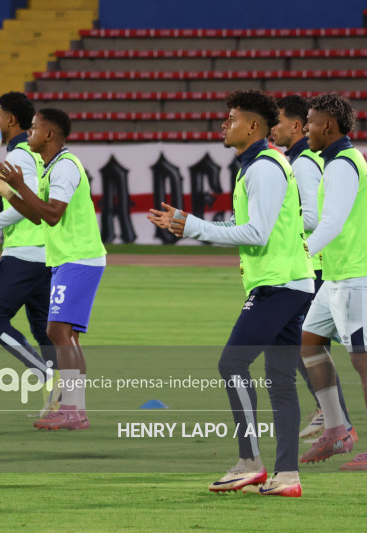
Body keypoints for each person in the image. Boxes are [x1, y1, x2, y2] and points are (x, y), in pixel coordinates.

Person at [150, 90, 314, 497]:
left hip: (278, 284)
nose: (224, 124)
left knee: (232, 363)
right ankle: (288, 476)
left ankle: (250, 462)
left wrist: (192, 227)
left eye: (232, 118)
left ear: (253, 126)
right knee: (279, 381)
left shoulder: (262, 167)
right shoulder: (260, 166)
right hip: (290, 282)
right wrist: (192, 223)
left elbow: (256, 233)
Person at [0, 108, 106, 431]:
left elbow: (51, 215)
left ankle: (74, 409)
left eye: (33, 128)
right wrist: (7, 191)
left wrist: (20, 182)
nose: (29, 133)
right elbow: (34, 215)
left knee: (58, 332)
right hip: (64, 259)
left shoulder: (64, 167)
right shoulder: (50, 169)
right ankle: (74, 409)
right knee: (63, 334)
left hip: (80, 257)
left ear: (49, 135)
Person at [298, 93, 367, 470]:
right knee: (308, 342)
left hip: (357, 275)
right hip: (341, 273)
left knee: (364, 360)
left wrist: (301, 254)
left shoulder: (340, 164)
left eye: (310, 121)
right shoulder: (340, 160)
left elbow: (332, 222)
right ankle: (336, 429)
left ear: (328, 126)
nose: (306, 128)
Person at [272, 95, 356, 442]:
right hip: (310, 265)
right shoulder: (299, 159)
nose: (270, 129)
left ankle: (334, 418)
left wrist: (273, 223)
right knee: (297, 343)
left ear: (295, 125)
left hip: (312, 266)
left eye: (276, 122)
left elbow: (313, 217)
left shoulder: (303, 164)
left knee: (299, 343)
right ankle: (331, 416)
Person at [0, 92, 58, 416]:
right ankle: (61, 401)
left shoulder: (21, 154)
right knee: (43, 330)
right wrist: (3, 189)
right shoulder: (34, 153)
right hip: (45, 253)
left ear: (11, 120)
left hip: (24, 254)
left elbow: (31, 202)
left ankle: (47, 375)